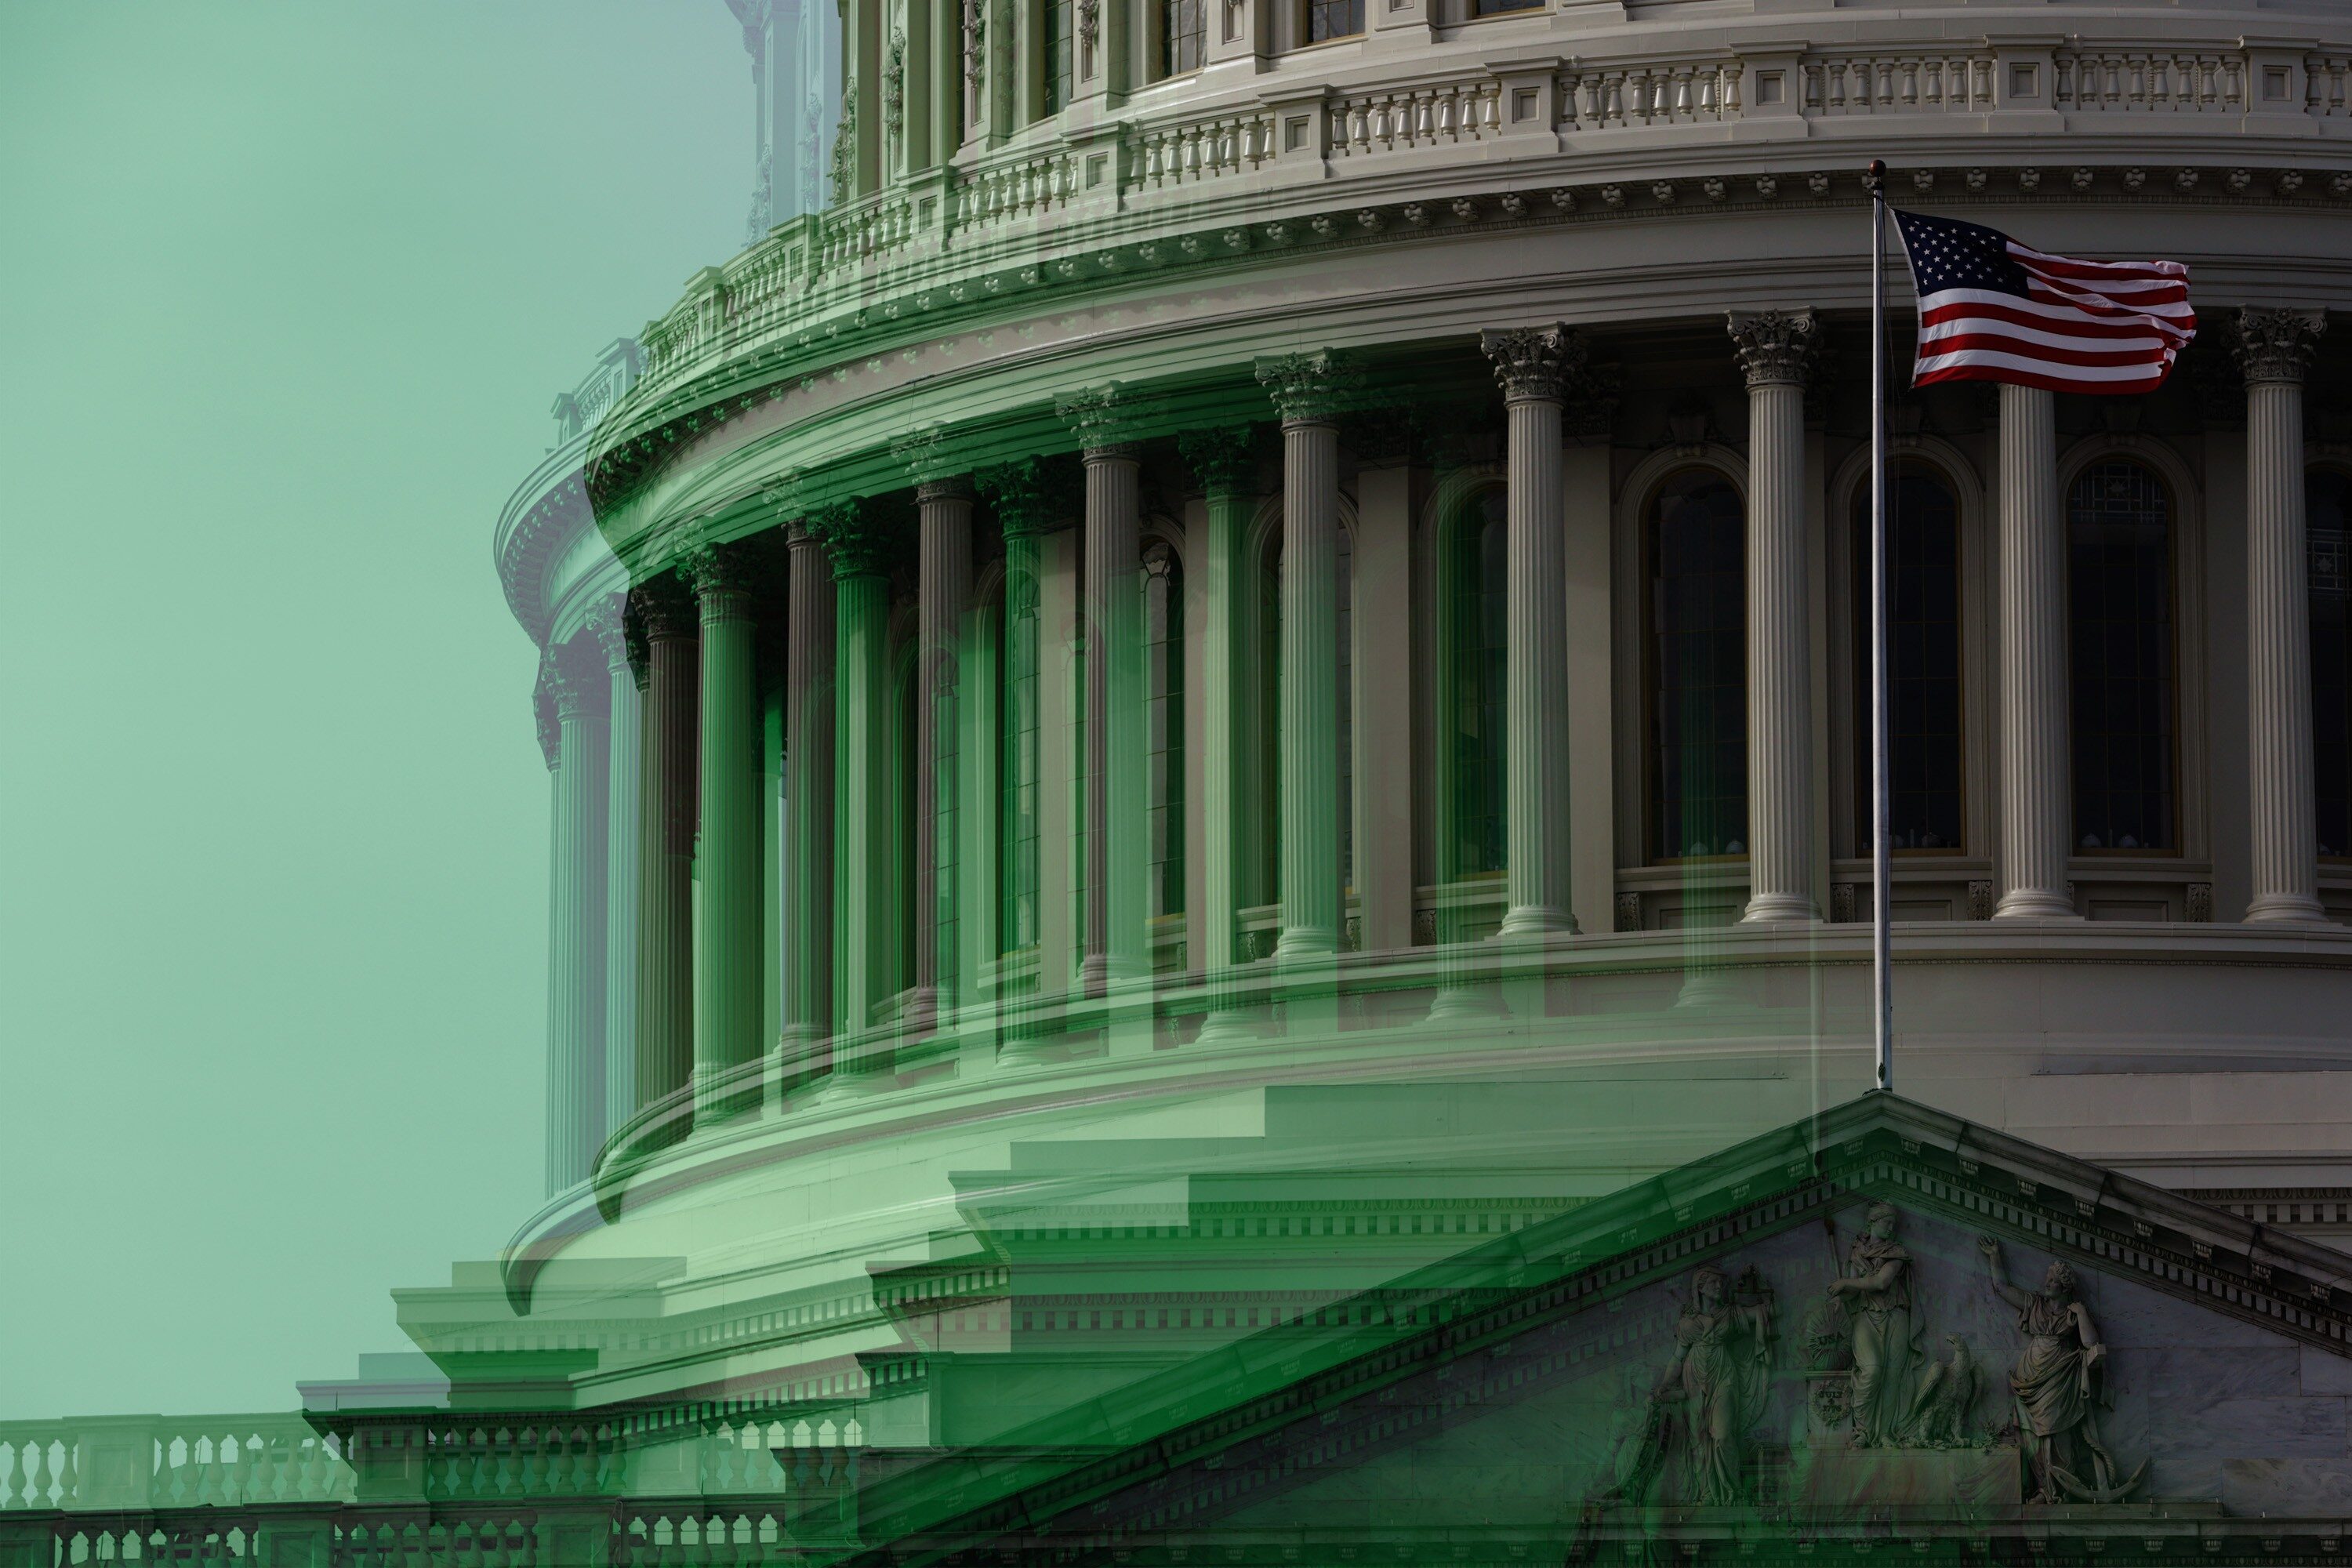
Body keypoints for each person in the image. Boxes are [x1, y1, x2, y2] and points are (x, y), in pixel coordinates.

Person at [1977, 1236, 2118, 1502]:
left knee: (2057, 1431)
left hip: (2060, 1377)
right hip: (2029, 1378)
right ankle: (2044, 1488)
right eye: (2047, 1279)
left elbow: (2091, 1343)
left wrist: (2082, 1313)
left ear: (2064, 1286)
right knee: (2031, 1437)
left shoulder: (2072, 1314)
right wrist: (1995, 1256)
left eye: (2052, 1280)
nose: (2046, 1283)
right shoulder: (2035, 1304)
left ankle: (2060, 1488)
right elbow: (2001, 1287)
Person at [1658, 1264, 1776, 1504]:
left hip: (1723, 1375)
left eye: (1722, 1283)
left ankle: (1733, 1491)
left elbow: (1767, 1311)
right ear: (1700, 1288)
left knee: (1722, 1435)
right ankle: (1707, 1494)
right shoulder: (1687, 1323)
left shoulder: (1730, 1314)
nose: (1720, 1287)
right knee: (1699, 1439)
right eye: (1714, 1283)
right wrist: (1664, 1384)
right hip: (1695, 1378)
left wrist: (1760, 1285)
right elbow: (1677, 1357)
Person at [1826, 1200, 1917, 1446]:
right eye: (1886, 1223)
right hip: (1865, 1314)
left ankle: (1885, 1432)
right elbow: (1854, 1291)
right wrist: (1840, 1296)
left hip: (1895, 1314)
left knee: (1891, 1376)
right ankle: (1862, 1432)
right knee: (1872, 1369)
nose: (1891, 1228)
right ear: (1872, 1223)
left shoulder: (1896, 1253)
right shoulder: (1856, 1252)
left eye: (1893, 1224)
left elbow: (1881, 1283)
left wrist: (1846, 1283)